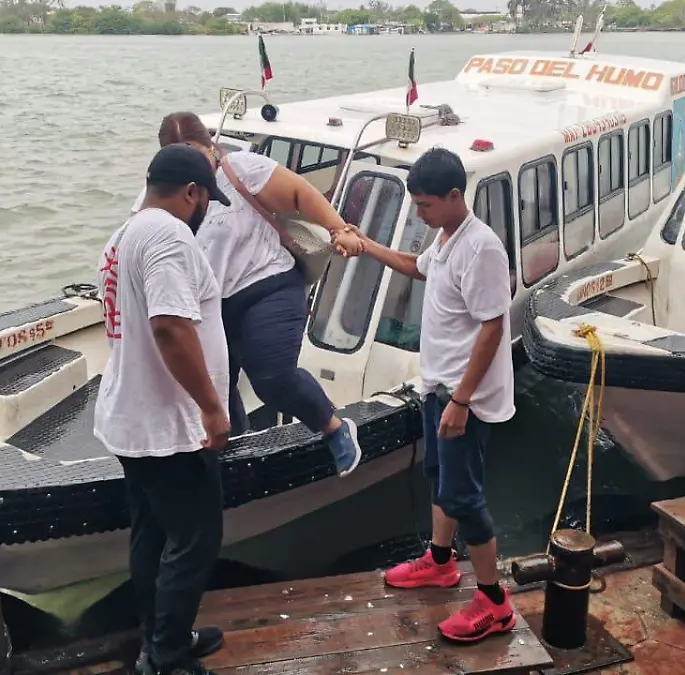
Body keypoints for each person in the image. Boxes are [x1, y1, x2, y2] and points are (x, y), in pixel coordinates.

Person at [336, 147, 518, 643]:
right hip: (438, 386)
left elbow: (492, 328)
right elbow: (419, 267)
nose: (419, 214)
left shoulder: (481, 248)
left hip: (466, 397)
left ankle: (495, 603)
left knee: (465, 495)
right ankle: (440, 562)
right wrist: (367, 245)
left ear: (456, 196)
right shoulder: (446, 238)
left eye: (425, 205)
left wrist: (461, 401)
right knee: (439, 477)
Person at [153, 111, 367, 477]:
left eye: (194, 152)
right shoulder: (172, 195)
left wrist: (338, 229)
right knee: (214, 387)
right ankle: (236, 453)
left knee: (272, 378)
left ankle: (335, 428)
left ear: (210, 147)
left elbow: (300, 192)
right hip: (210, 303)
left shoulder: (239, 169)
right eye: (179, 156)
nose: (190, 164)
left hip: (266, 285)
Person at [94, 144, 234, 675]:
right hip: (169, 427)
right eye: (205, 201)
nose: (203, 213)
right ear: (192, 193)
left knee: (153, 535)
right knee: (196, 540)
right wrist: (212, 408)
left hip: (133, 416)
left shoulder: (125, 235)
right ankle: (168, 657)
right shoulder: (169, 235)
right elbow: (169, 325)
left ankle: (160, 640)